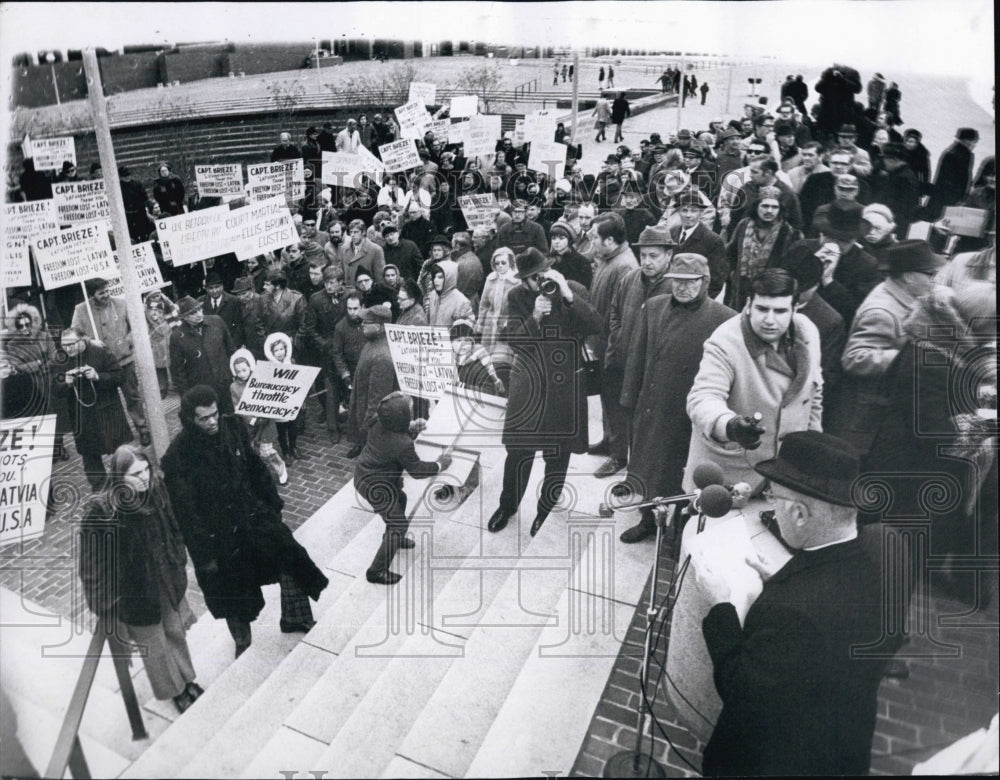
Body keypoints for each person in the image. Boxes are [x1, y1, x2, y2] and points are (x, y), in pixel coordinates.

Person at [698, 430, 897, 776]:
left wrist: (720, 609)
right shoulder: (867, 557)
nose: (772, 506)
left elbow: (741, 688)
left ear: (801, 514)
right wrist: (782, 583)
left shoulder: (795, 615)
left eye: (774, 497)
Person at [162, 386, 329, 657]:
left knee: (291, 559)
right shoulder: (178, 456)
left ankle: (295, 617)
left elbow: (256, 469)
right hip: (221, 540)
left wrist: (272, 506)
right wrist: (206, 556)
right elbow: (186, 515)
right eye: (204, 418)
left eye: (214, 414)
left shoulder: (233, 428)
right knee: (233, 594)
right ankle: (243, 642)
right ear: (190, 419)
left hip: (254, 518)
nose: (212, 422)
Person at [617, 248, 737, 540]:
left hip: (689, 411)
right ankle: (647, 519)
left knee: (684, 473)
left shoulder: (724, 318)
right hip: (651, 405)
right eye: (677, 280)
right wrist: (630, 397)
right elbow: (637, 353)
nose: (682, 287)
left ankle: (679, 530)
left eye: (690, 281)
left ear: (704, 281)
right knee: (647, 466)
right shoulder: (655, 307)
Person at [80, 443, 204, 714]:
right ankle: (174, 691)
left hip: (164, 578)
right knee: (155, 644)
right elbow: (92, 566)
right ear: (118, 477)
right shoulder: (101, 511)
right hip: (133, 592)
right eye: (135, 474)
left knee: (174, 631)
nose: (144, 477)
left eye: (145, 469)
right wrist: (107, 607)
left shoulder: (155, 489)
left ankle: (186, 678)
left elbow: (172, 525)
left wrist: (178, 557)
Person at [486, 248, 602, 537]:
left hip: (564, 387)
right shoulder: (517, 297)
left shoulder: (571, 290)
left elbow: (595, 325)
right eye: (532, 279)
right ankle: (508, 505)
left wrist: (568, 295)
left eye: (543, 275)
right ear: (523, 281)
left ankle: (544, 511)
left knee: (557, 454)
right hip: (530, 385)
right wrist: (535, 316)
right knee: (518, 453)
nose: (540, 283)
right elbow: (515, 342)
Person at [685, 269, 824, 493]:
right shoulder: (725, 341)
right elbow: (702, 397)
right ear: (748, 304)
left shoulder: (808, 331)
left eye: (780, 311)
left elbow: (813, 395)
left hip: (785, 478)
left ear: (795, 309)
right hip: (728, 480)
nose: (769, 320)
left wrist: (811, 447)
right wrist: (729, 425)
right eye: (762, 309)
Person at [827, 239, 943, 453]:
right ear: (909, 276)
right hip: (862, 419)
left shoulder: (899, 295)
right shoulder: (882, 312)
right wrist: (907, 358)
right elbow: (854, 358)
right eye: (930, 275)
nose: (934, 281)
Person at [597, 225, 677, 480]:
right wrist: (618, 339)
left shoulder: (675, 286)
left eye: (654, 256)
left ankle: (638, 470)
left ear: (668, 256)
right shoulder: (629, 279)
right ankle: (617, 456)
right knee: (617, 410)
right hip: (621, 358)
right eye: (644, 255)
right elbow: (614, 313)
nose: (647, 261)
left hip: (650, 368)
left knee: (643, 420)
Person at [355, 392, 451, 585]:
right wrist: (440, 464)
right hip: (376, 486)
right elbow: (417, 470)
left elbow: (392, 429)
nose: (411, 413)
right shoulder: (402, 444)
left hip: (366, 476)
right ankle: (376, 571)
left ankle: (392, 538)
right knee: (399, 524)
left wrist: (412, 426)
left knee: (401, 499)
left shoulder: (376, 420)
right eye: (409, 412)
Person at [71, 277, 151, 445]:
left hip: (124, 360)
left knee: (133, 396)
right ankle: (116, 433)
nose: (106, 295)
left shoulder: (121, 304)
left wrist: (127, 342)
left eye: (107, 291)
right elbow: (75, 333)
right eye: (101, 293)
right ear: (92, 295)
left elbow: (134, 327)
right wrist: (89, 341)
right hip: (101, 366)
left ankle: (142, 428)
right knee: (108, 401)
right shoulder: (81, 310)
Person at [52, 328, 133, 491]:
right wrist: (65, 382)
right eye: (64, 346)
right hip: (81, 416)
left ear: (82, 341)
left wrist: (98, 376)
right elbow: (55, 390)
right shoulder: (61, 361)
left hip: (107, 412)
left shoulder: (100, 353)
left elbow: (119, 377)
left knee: (119, 449)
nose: (68, 349)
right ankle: (99, 487)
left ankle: (127, 480)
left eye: (72, 345)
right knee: (89, 454)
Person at [587, 216, 638, 465]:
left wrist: (610, 347)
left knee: (615, 400)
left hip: (613, 347)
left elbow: (621, 315)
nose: (591, 240)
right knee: (606, 397)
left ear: (609, 240)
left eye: (595, 236)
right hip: (601, 342)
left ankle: (618, 455)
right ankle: (608, 439)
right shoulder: (609, 260)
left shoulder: (624, 266)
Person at [725, 187, 804, 311]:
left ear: (780, 209)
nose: (769, 211)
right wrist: (732, 275)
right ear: (756, 207)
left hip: (769, 293)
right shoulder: (744, 225)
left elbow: (791, 269)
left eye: (774, 207)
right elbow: (731, 253)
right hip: (739, 290)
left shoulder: (790, 234)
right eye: (765, 206)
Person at [345, 306, 397, 459]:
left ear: (379, 327)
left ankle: (367, 449)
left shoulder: (382, 356)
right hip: (361, 400)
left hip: (369, 413)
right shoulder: (371, 343)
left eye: (366, 322)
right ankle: (360, 444)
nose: (362, 325)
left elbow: (377, 401)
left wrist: (366, 426)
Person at [169, 295, 236, 415]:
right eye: (192, 313)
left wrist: (236, 375)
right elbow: (178, 372)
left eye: (199, 310)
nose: (199, 314)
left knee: (232, 419)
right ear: (183, 317)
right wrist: (187, 398)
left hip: (226, 384)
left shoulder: (216, 321)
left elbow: (231, 350)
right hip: (202, 390)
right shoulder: (177, 337)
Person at [230, 348, 287, 484]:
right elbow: (238, 407)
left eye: (244, 370)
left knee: (267, 451)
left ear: (250, 367)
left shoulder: (260, 380)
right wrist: (253, 419)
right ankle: (259, 475)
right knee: (254, 451)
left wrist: (266, 414)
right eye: (238, 371)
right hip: (250, 425)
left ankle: (280, 468)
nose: (242, 374)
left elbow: (270, 397)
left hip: (266, 422)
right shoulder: (234, 387)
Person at [669, 191, 727, 300]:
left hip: (695, 300)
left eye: (694, 211)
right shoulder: (672, 233)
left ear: (701, 212)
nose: (688, 215)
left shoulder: (712, 240)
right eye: (684, 210)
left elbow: (716, 280)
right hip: (672, 295)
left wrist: (700, 301)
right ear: (678, 211)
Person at [263, 332, 305, 464]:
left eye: (281, 349)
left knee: (293, 427)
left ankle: (293, 446)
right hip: (278, 403)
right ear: (271, 352)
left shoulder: (291, 362)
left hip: (291, 402)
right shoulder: (269, 367)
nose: (279, 353)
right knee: (281, 430)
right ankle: (285, 451)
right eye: (276, 350)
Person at [476, 247, 519, 359]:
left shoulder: (517, 281)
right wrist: (480, 323)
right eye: (497, 263)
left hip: (507, 324)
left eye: (503, 262)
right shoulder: (490, 279)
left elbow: (519, 306)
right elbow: (484, 304)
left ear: (511, 263)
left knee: (503, 358)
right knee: (486, 357)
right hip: (489, 325)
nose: (500, 265)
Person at [928, 127, 980, 220]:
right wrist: (962, 197)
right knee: (944, 220)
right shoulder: (960, 155)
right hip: (950, 197)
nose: (975, 145)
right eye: (974, 142)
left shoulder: (956, 152)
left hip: (945, 196)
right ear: (966, 141)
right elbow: (962, 178)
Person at [426, 256, 475, 330]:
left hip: (449, 340)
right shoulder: (433, 295)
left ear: (449, 277)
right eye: (434, 277)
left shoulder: (462, 301)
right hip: (434, 339)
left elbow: (466, 329)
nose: (436, 280)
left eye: (440, 277)